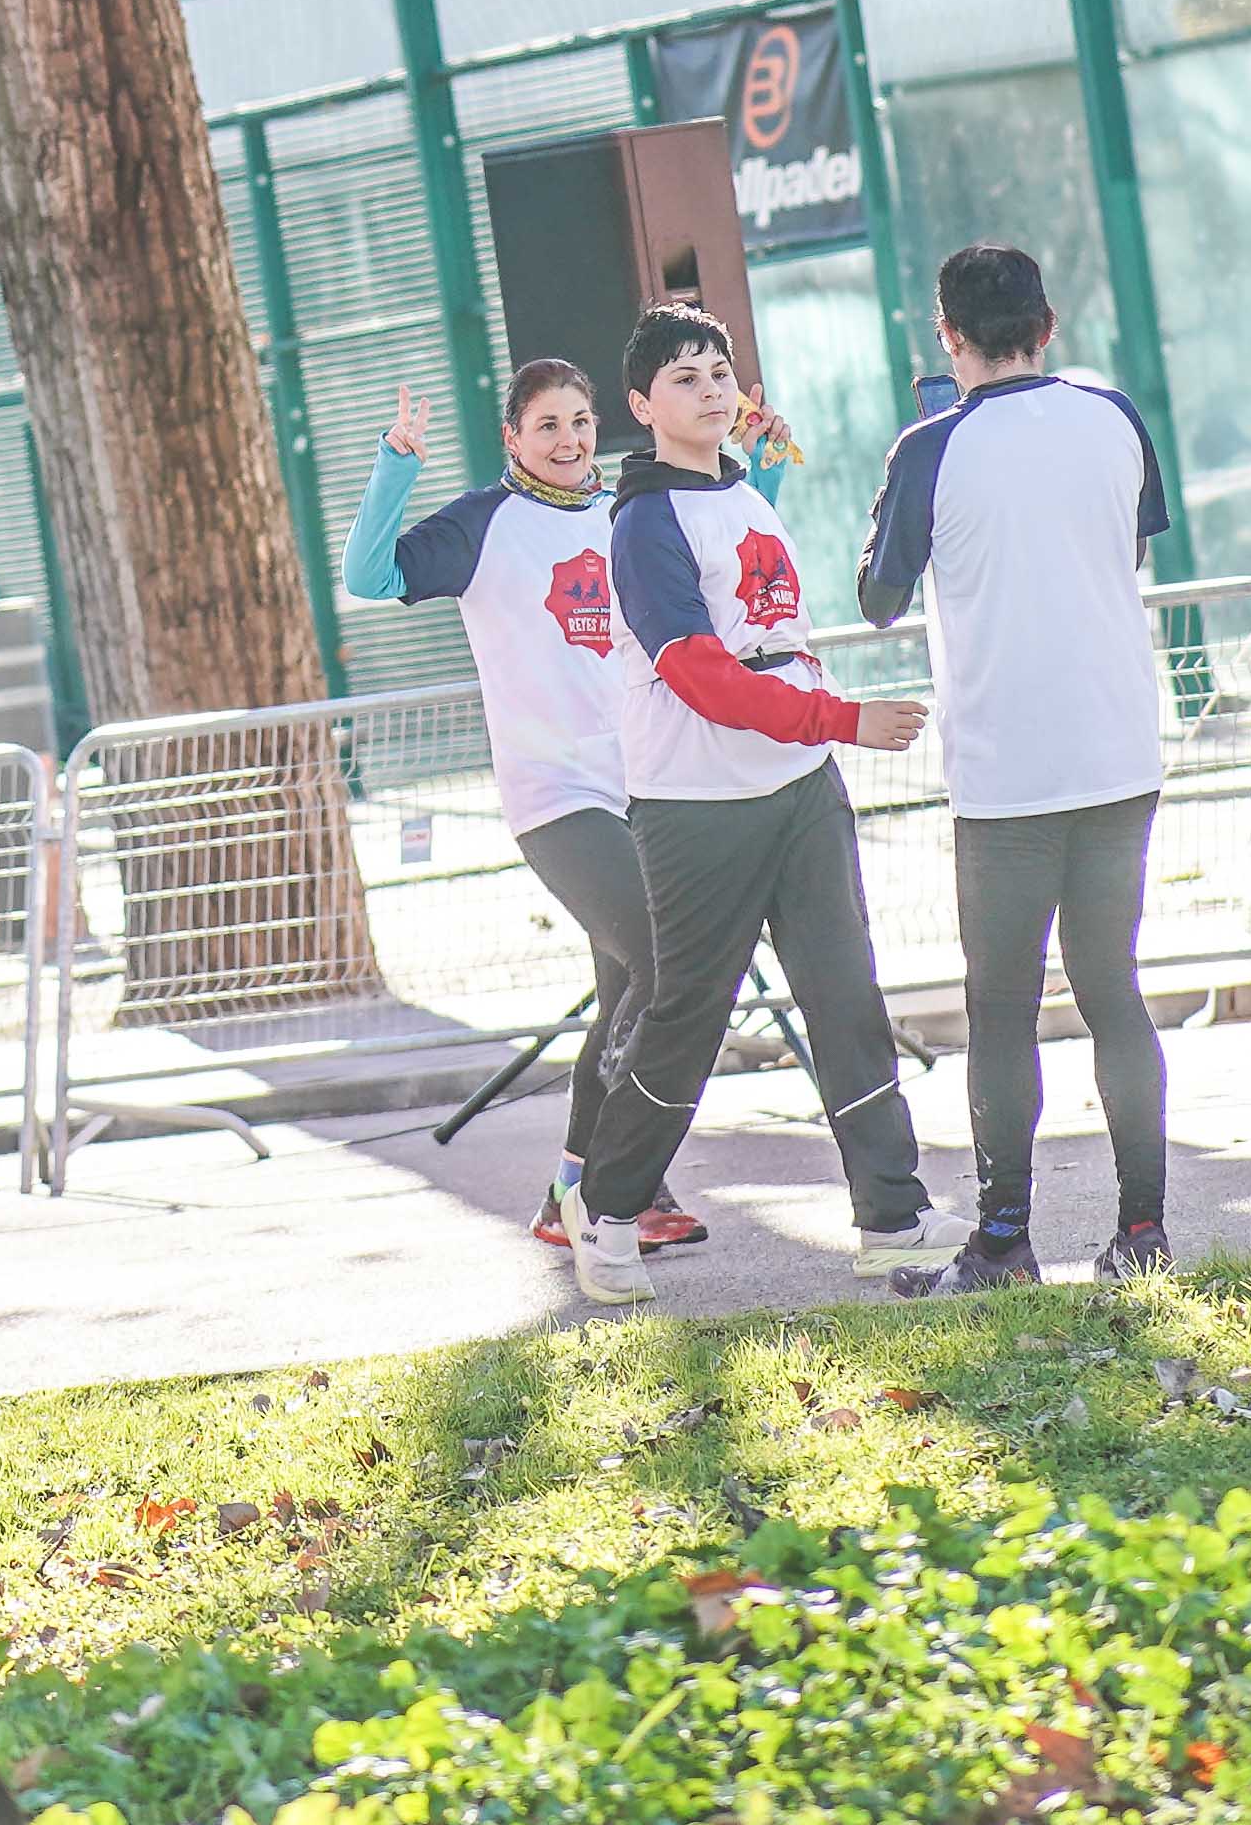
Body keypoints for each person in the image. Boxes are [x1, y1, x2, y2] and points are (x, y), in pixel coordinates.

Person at [558, 303, 949, 1305]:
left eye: (720, 371)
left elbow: (765, 630)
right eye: (685, 378)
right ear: (642, 405)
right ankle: (606, 1210)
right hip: (697, 806)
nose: (711, 390)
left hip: (799, 790)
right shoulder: (644, 522)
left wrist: (821, 732)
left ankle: (892, 1215)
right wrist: (841, 719)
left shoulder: (742, 494)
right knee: (687, 1018)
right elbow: (700, 674)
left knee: (845, 997)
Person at [862, 243, 1181, 1292]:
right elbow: (1128, 547)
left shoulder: (930, 447)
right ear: (1048, 326)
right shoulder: (1115, 416)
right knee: (1113, 990)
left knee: (1001, 1006)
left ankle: (1003, 1240)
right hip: (1119, 750)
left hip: (1007, 772)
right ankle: (1143, 1232)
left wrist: (912, 472)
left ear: (948, 337)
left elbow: (878, 598)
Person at [343, 362, 706, 1264]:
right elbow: (369, 576)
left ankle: (577, 1192)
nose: (569, 440)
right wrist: (396, 463)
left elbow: (717, 563)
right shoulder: (484, 523)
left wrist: (761, 465)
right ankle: (614, 1188)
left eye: (580, 421)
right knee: (665, 966)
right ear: (512, 438)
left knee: (627, 996)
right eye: (547, 425)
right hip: (556, 796)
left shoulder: (628, 512)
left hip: (646, 787)